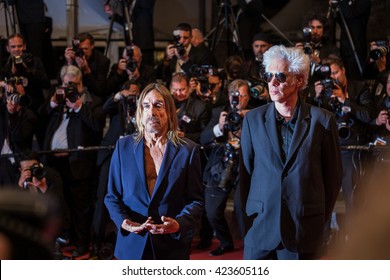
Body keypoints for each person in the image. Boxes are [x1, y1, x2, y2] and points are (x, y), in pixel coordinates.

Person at [239, 45, 342, 260]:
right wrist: (248, 226)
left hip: (303, 232)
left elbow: (332, 180)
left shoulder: (322, 121)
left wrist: (316, 221)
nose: (273, 83)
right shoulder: (253, 120)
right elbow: (245, 176)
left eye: (280, 76)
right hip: (260, 229)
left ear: (300, 81)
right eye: (269, 76)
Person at [104, 83, 204, 260]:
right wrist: (123, 222)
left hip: (170, 247)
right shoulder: (123, 147)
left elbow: (196, 201)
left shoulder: (188, 150)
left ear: (169, 111)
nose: (152, 112)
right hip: (132, 245)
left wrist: (178, 224)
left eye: (158, 105)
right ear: (140, 112)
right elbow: (112, 196)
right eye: (146, 105)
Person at [39, 65, 106, 258]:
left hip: (78, 163)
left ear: (81, 83)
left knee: (80, 207)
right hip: (53, 163)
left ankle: (82, 244)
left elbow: (96, 125)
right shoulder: (56, 100)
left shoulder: (92, 102)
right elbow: (38, 119)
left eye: (75, 85)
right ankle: (62, 240)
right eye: (68, 84)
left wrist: (78, 106)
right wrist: (52, 103)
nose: (71, 89)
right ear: (61, 83)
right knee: (57, 205)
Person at [201, 79, 252, 256]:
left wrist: (250, 123)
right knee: (212, 211)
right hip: (220, 166)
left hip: (245, 167)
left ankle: (251, 245)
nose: (236, 99)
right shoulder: (219, 113)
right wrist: (219, 127)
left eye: (241, 95)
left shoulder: (254, 115)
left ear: (248, 97)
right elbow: (203, 138)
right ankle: (225, 242)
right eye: (233, 95)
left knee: (242, 207)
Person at [64, 32, 110, 98]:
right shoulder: (73, 56)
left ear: (92, 46)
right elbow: (60, 81)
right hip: (72, 93)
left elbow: (99, 90)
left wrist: (87, 71)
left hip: (92, 97)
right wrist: (69, 63)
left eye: (85, 49)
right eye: (80, 49)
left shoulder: (103, 61)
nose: (82, 52)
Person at [170, 72, 210, 143]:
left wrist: (185, 135)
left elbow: (205, 135)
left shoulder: (200, 107)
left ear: (189, 87)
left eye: (182, 89)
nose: (178, 93)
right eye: (175, 90)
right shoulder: (166, 104)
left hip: (189, 146)